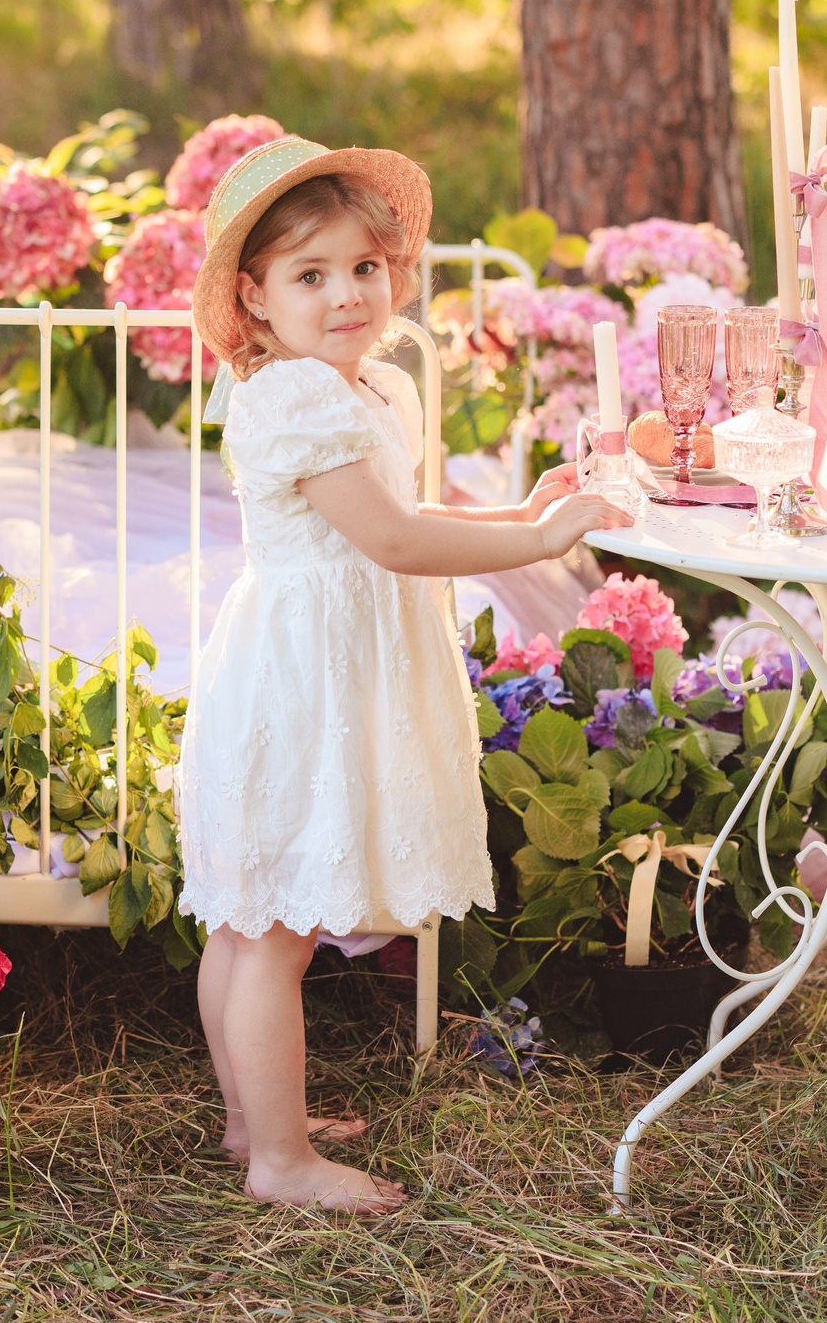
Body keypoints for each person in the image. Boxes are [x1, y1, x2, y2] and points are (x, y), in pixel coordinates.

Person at [180, 135, 630, 1211]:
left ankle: (253, 1120)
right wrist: (536, 545)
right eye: (309, 274)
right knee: (270, 931)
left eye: (363, 269)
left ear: (394, 271)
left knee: (249, 923)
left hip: (314, 661)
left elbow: (411, 506)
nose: (345, 294)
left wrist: (519, 511)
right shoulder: (295, 398)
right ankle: (282, 1164)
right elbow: (393, 543)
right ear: (252, 297)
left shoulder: (366, 385)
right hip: (304, 682)